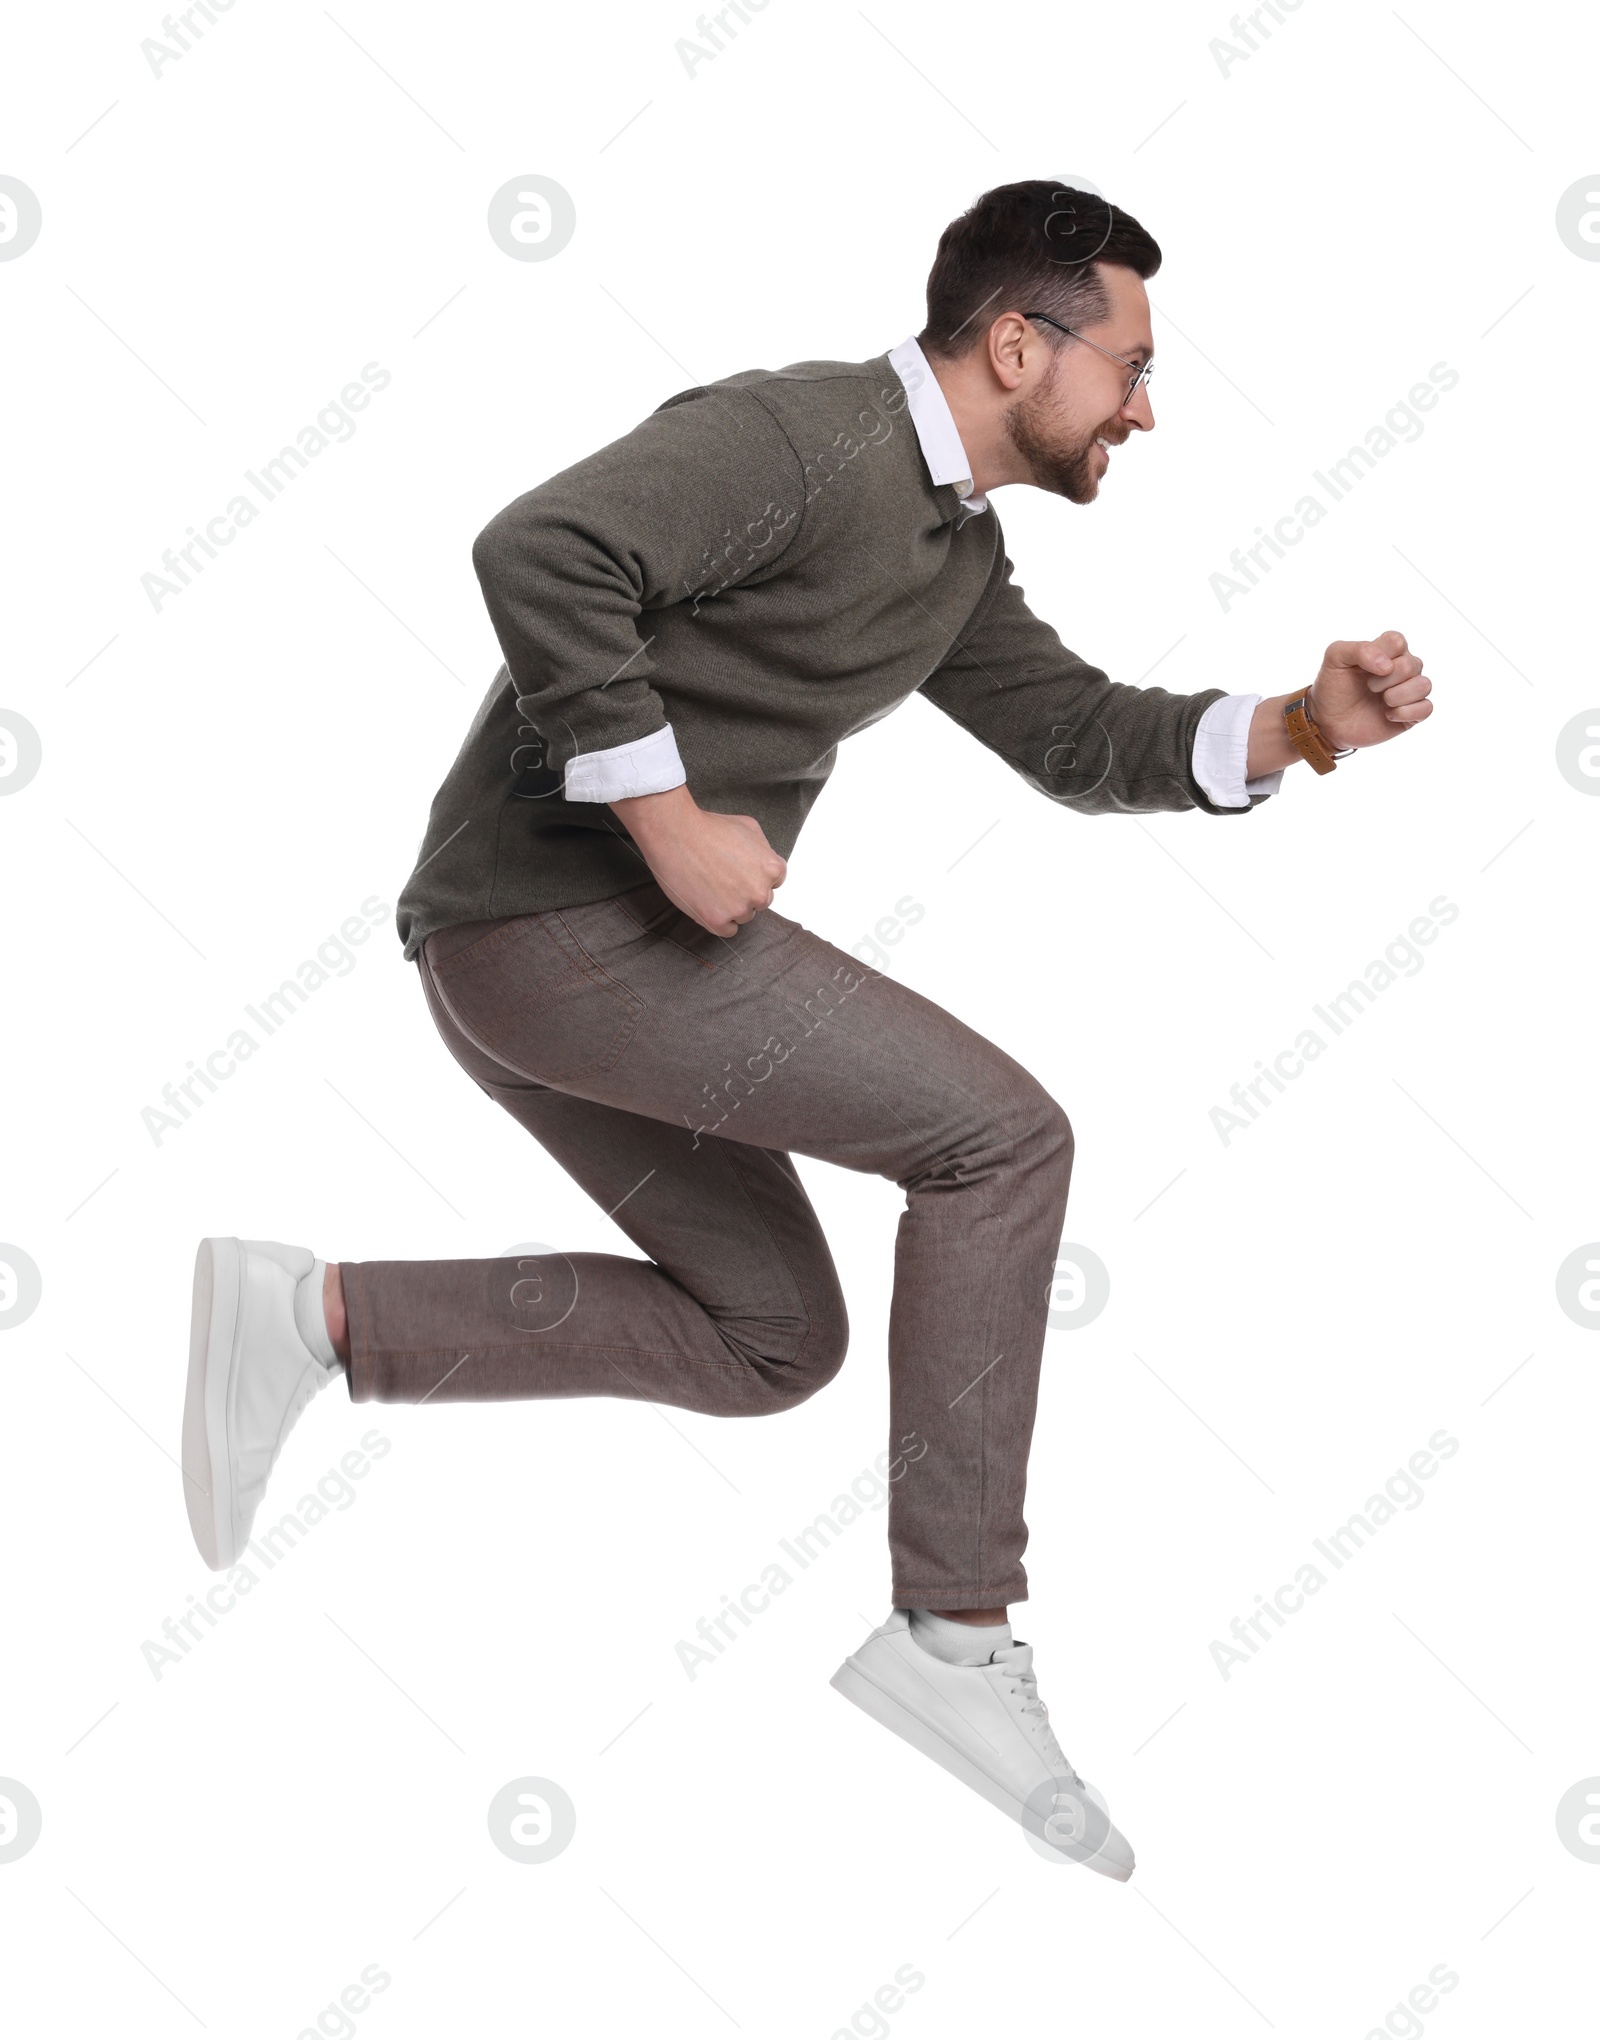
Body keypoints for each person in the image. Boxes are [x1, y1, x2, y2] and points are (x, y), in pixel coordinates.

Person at [180, 180, 1433, 1878]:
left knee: (775, 1343)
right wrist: (668, 815)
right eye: (1128, 363)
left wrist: (1298, 723)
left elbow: (1073, 735)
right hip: (553, 931)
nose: (1145, 405)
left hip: (554, 963)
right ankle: (953, 1635)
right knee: (1003, 1141)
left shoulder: (947, 550)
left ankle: (319, 1320)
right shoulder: (804, 437)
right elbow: (539, 547)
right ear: (1015, 341)